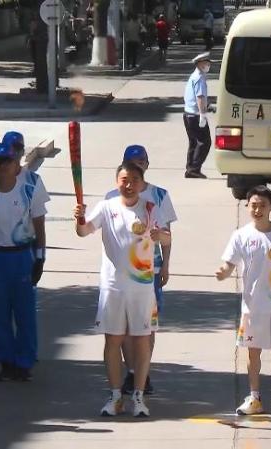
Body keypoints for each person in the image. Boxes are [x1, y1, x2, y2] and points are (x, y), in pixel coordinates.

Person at [74, 162, 171, 418]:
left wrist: (160, 235)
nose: (129, 185)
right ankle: (116, 396)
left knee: (141, 342)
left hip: (142, 288)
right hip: (113, 287)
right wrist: (79, 217)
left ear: (142, 183)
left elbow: (167, 237)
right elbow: (84, 232)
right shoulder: (107, 207)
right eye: (124, 179)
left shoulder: (151, 208)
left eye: (134, 180)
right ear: (117, 180)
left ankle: (138, 397)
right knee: (113, 340)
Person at [216, 185, 271, 417]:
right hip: (253, 305)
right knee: (252, 352)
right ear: (247, 207)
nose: (258, 209)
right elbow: (229, 263)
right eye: (253, 205)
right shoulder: (241, 235)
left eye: (262, 205)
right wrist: (223, 272)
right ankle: (255, 398)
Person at [0, 143, 49, 382]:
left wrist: (40, 258)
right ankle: (6, 361)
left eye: (9, 161)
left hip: (22, 256)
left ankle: (24, 362)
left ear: (17, 164)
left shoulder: (29, 190)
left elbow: (39, 227)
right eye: (0, 161)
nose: (5, 166)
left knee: (25, 312)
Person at [105, 145, 177, 396]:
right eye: (132, 162)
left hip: (150, 270)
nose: (137, 165)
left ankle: (143, 373)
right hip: (121, 273)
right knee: (123, 327)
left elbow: (167, 233)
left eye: (141, 162)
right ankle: (131, 371)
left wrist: (166, 264)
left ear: (147, 164)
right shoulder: (111, 197)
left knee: (147, 326)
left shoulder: (159, 195)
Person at [183, 52, 212, 179]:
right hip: (195, 115)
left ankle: (190, 168)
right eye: (206, 63)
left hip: (188, 114)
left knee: (194, 142)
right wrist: (203, 114)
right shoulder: (199, 78)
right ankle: (194, 169)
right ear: (199, 64)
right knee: (204, 142)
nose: (208, 65)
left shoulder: (194, 76)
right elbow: (199, 97)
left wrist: (208, 107)